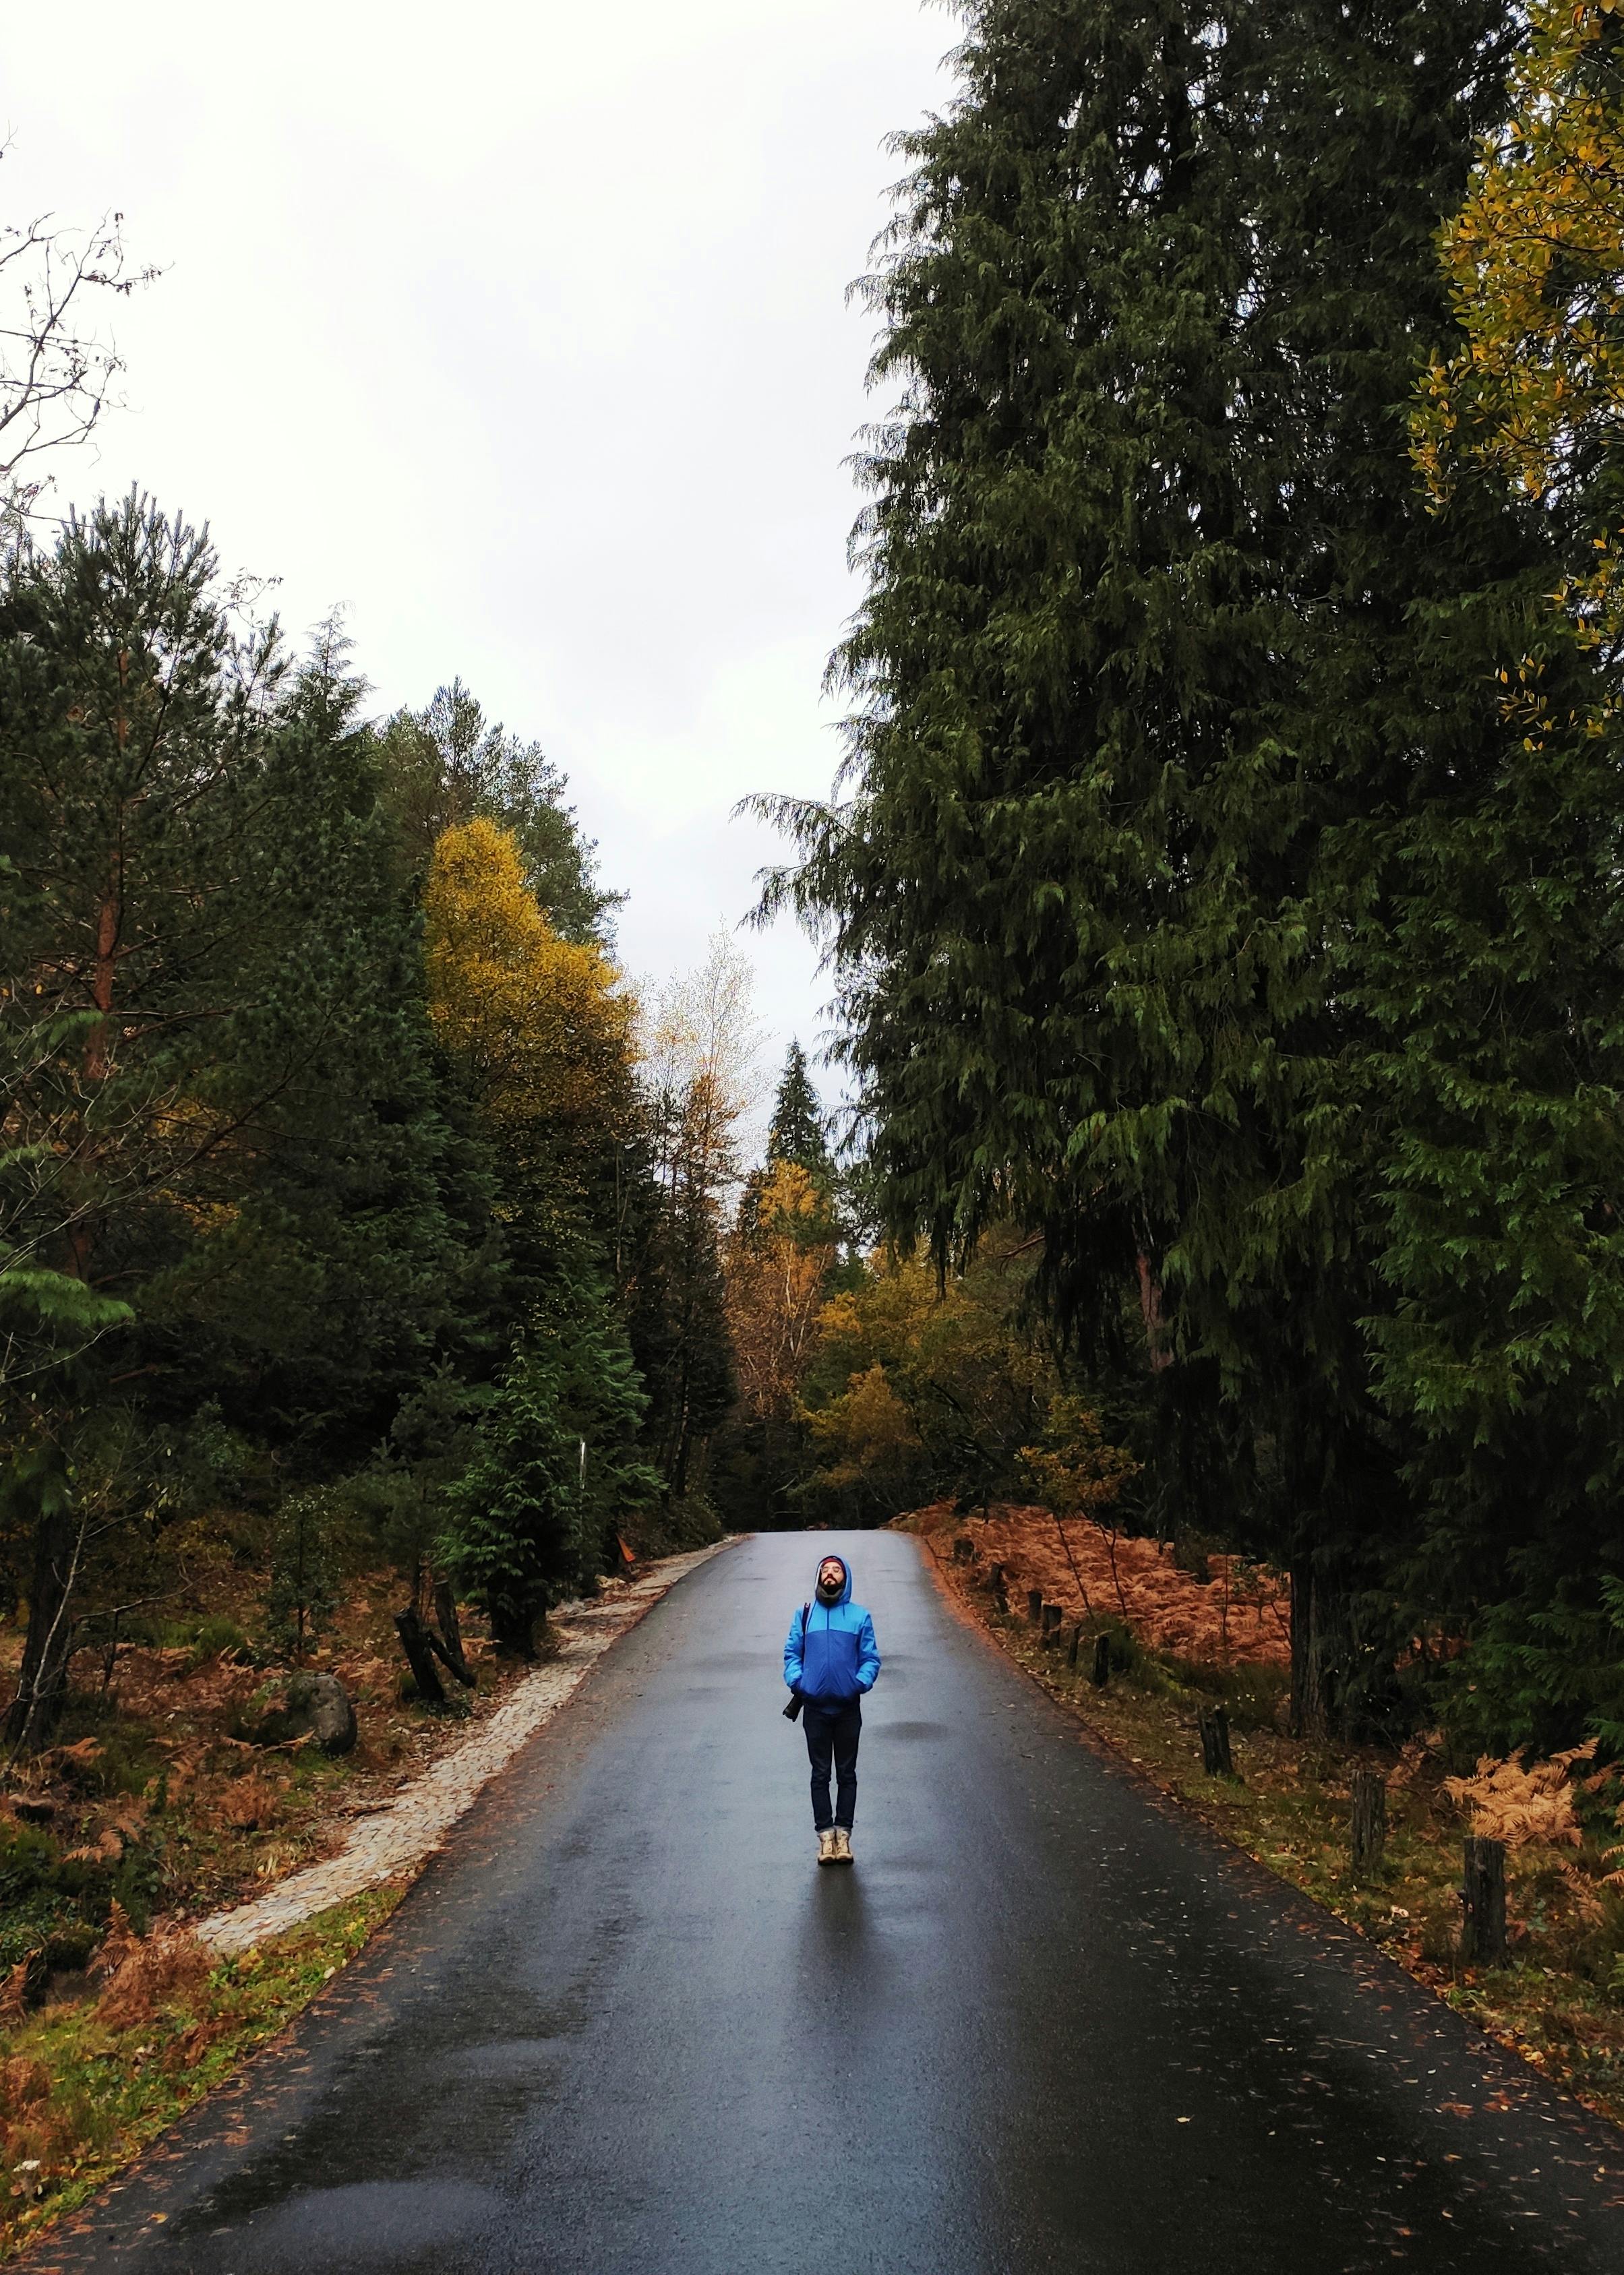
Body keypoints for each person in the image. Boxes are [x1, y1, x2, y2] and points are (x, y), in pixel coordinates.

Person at [783, 1552, 880, 1866]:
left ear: (846, 1578)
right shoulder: (804, 1614)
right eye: (825, 1570)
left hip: (848, 1708)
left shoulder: (859, 1616)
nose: (830, 1574)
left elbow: (871, 1659)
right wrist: (799, 1682)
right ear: (818, 1577)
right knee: (820, 1774)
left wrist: (858, 1683)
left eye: (836, 1570)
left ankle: (844, 1836)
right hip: (815, 1709)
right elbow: (791, 1654)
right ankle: (826, 1838)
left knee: (847, 1774)